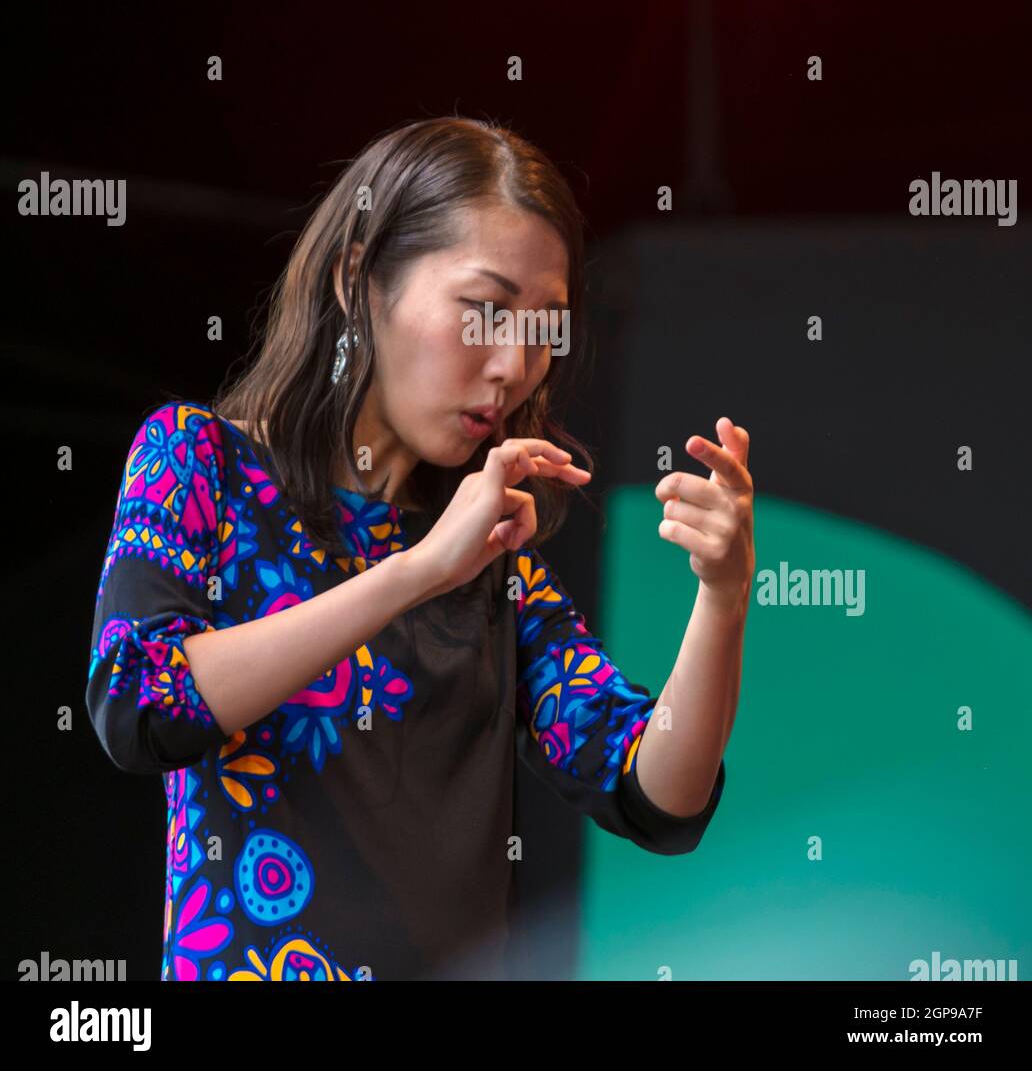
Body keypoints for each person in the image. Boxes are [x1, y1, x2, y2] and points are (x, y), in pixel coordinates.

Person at [85, 115, 748, 981]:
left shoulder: (496, 561)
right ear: (358, 280)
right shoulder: (199, 460)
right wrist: (419, 570)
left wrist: (724, 598)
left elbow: (657, 794)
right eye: (485, 309)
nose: (514, 362)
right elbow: (140, 701)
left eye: (545, 325)